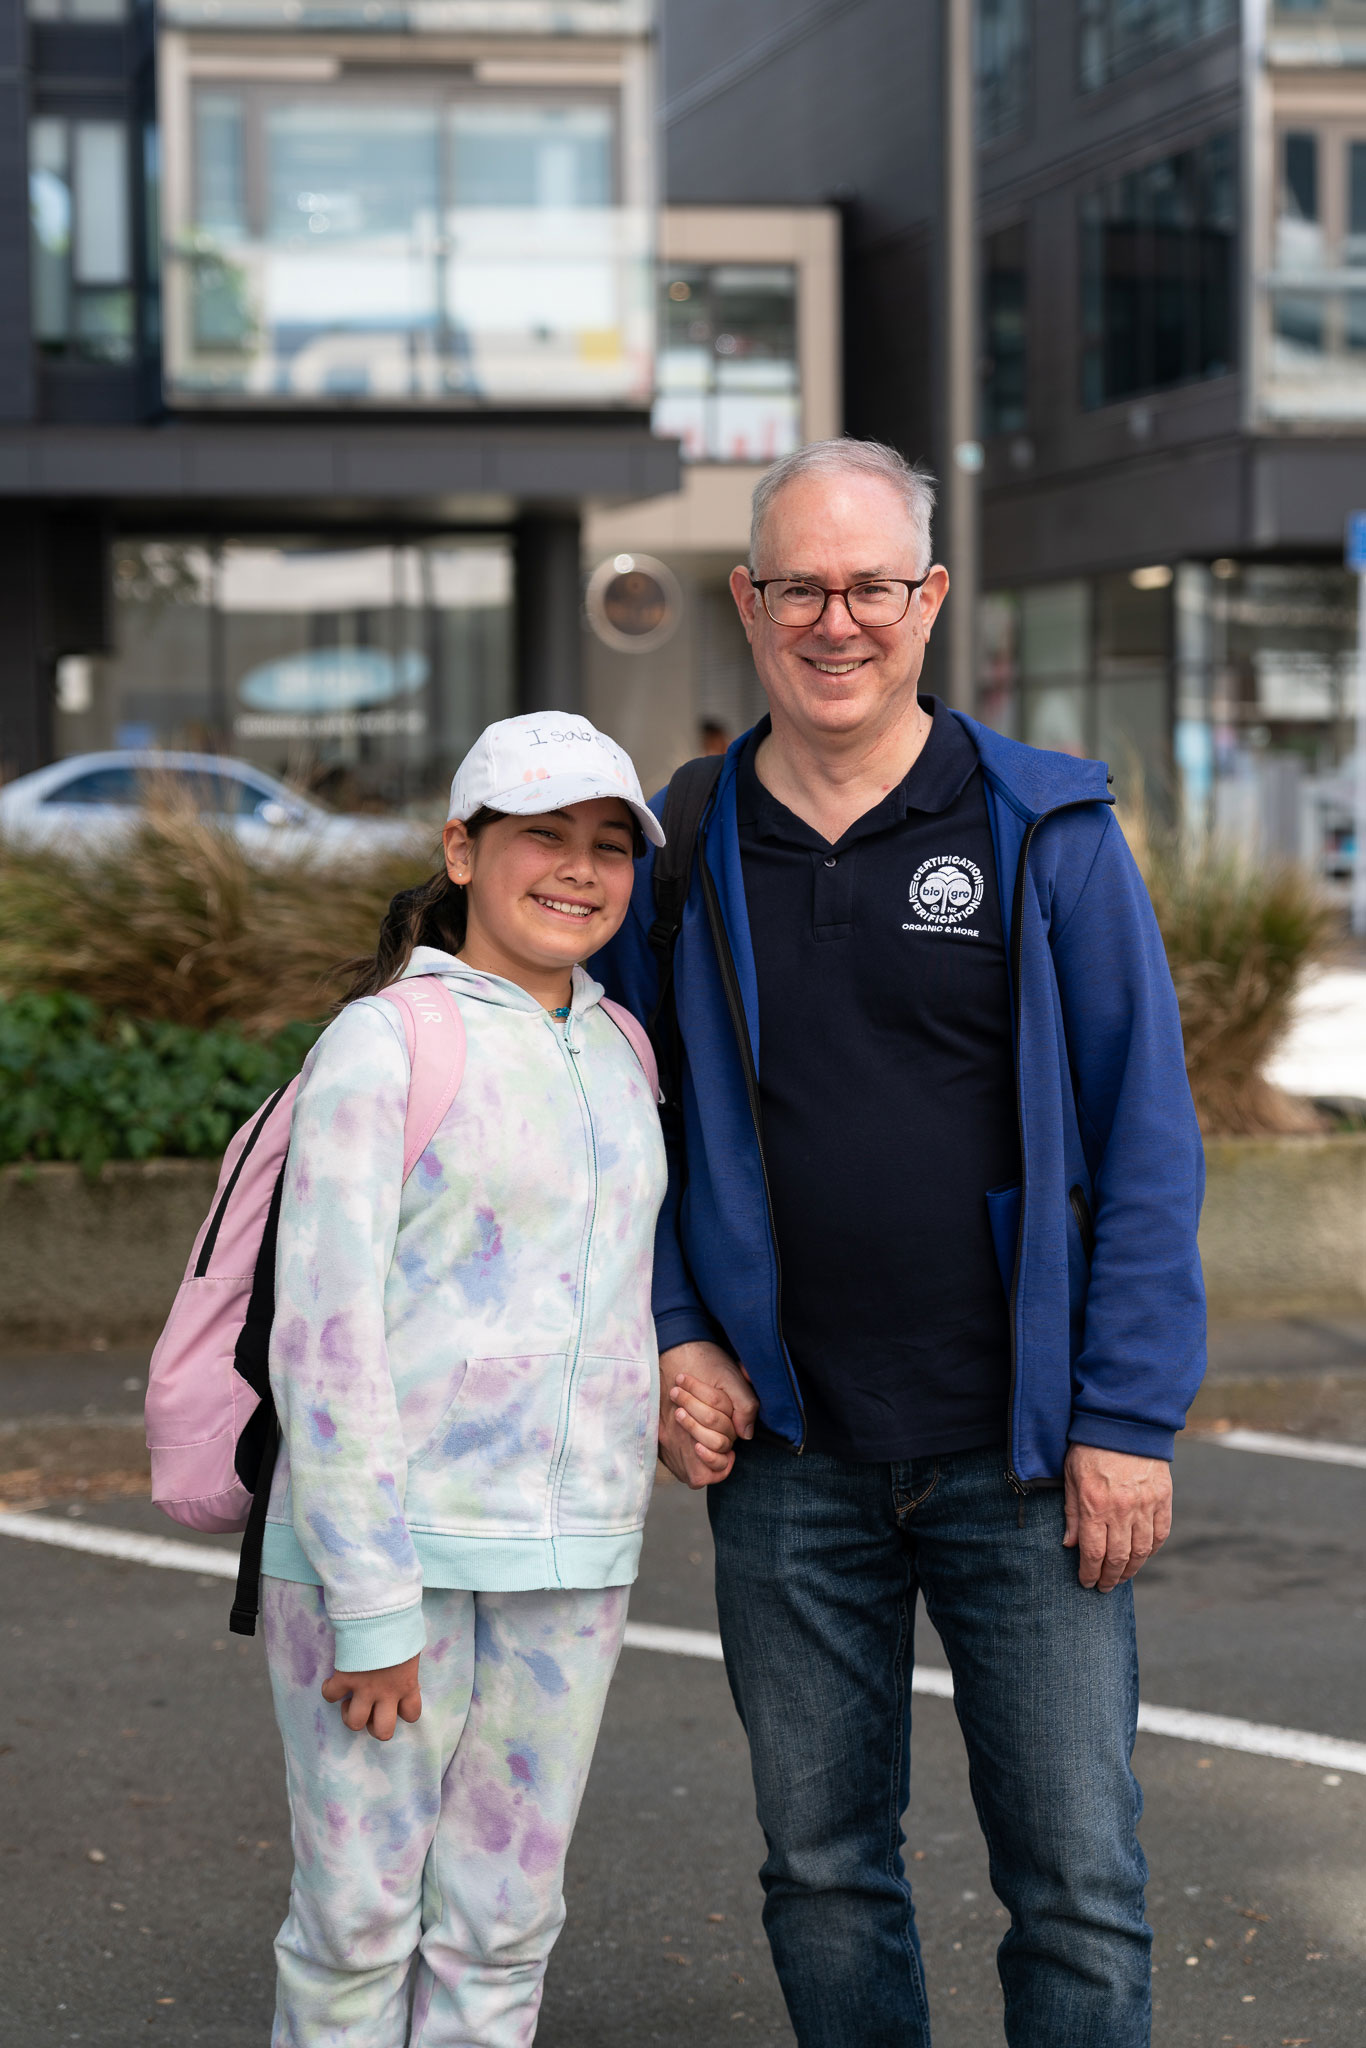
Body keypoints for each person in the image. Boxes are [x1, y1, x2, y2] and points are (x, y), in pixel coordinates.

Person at [596, 438, 1206, 2048]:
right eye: (798, 585)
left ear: (928, 600)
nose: (835, 619)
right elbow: (627, 1135)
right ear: (747, 601)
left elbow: (1146, 1139)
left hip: (1021, 1458)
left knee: (1076, 1879)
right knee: (819, 1869)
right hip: (788, 1457)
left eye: (872, 584)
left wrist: (1125, 1420)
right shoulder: (686, 845)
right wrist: (673, 1330)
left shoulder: (1041, 827)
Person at [258, 712, 740, 2047]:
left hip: (571, 1560)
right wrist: (369, 1610)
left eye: (607, 846)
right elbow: (324, 1338)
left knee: (505, 1927)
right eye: (543, 837)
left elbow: (598, 1291)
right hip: (386, 1568)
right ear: (462, 850)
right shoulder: (384, 1044)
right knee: (357, 1924)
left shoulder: (621, 1048)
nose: (579, 871)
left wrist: (664, 1410)